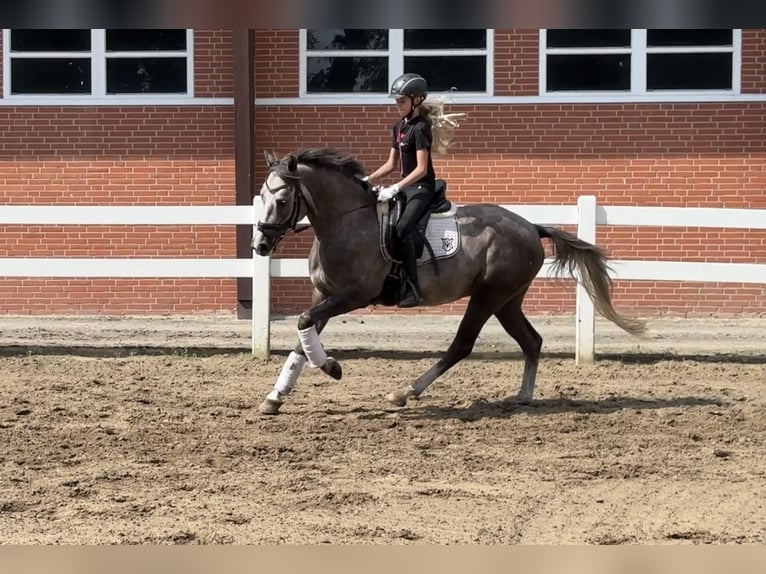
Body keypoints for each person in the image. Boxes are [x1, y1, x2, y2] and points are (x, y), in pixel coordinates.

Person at [364, 72, 437, 308]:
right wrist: (368, 179)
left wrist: (395, 187)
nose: (398, 105)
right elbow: (391, 164)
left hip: (421, 188)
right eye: (397, 101)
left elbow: (422, 169)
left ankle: (413, 286)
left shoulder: (421, 128)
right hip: (405, 187)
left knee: (402, 227)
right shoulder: (399, 127)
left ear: (416, 100)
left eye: (402, 101)